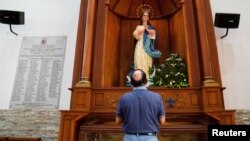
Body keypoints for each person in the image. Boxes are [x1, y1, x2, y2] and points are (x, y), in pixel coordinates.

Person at [116, 69, 166, 141]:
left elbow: (118, 121)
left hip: (130, 137)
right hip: (150, 137)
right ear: (145, 81)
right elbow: (162, 121)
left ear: (131, 82)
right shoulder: (157, 97)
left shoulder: (124, 98)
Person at [133, 11, 162, 79]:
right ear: (141, 17)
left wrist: (147, 29)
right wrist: (144, 27)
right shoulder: (138, 27)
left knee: (147, 61)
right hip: (140, 46)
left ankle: (147, 79)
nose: (145, 17)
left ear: (148, 18)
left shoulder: (151, 27)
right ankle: (138, 79)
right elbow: (136, 35)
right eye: (144, 15)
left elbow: (153, 34)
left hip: (147, 47)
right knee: (138, 61)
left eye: (147, 16)